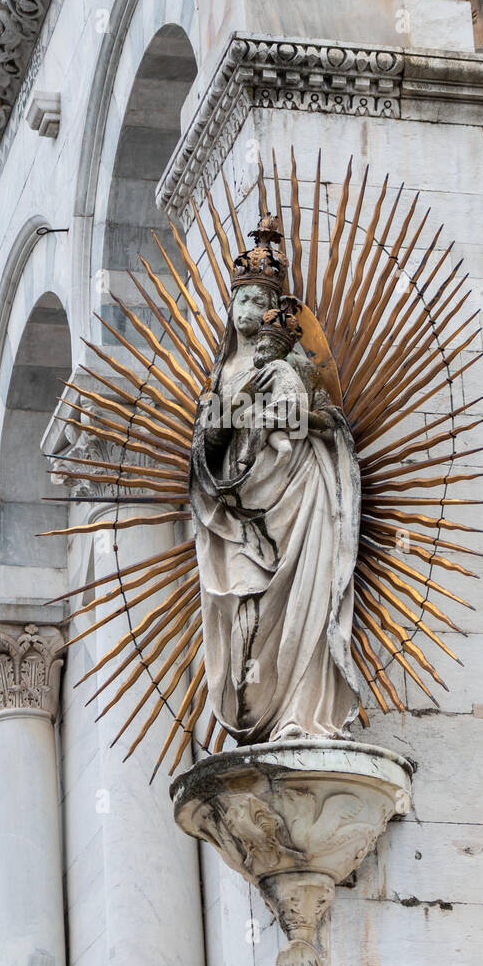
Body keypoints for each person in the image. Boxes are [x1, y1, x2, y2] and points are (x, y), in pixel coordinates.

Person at [189, 215, 364, 744]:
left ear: (271, 306)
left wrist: (278, 419)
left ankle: (303, 709)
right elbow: (205, 447)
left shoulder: (288, 361)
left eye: (258, 299)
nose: (247, 310)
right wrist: (225, 423)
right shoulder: (221, 372)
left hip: (300, 492)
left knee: (305, 590)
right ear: (230, 305)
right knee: (248, 608)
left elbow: (314, 415)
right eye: (240, 298)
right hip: (238, 508)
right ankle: (261, 704)